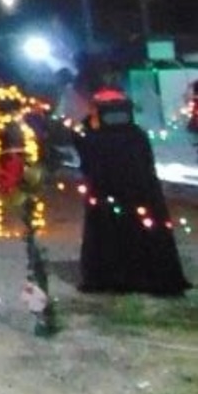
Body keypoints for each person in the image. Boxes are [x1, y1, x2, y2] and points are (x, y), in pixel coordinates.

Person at [74, 88, 189, 296]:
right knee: (143, 232)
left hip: (109, 201)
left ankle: (115, 276)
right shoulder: (137, 135)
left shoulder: (95, 138)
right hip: (142, 197)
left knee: (112, 234)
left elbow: (85, 154)